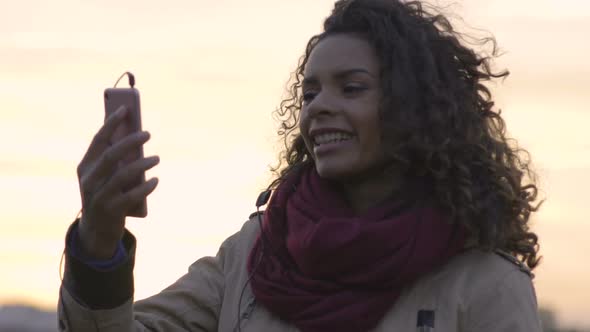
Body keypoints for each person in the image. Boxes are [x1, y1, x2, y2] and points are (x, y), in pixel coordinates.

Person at [57, 0, 544, 331]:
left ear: (416, 108)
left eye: (351, 88)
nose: (318, 108)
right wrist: (98, 242)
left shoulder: (486, 285)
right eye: (310, 93)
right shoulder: (254, 254)